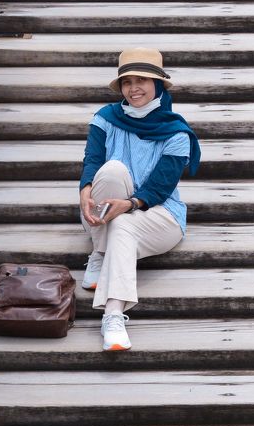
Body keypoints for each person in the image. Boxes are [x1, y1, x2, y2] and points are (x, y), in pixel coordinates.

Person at [78, 48, 201, 351]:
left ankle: (113, 315)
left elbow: (160, 187)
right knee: (113, 169)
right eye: (127, 81)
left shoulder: (176, 132)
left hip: (160, 214)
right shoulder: (105, 118)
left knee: (123, 225)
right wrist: (84, 190)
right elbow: (92, 161)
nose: (133, 88)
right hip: (104, 207)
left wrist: (131, 204)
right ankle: (101, 253)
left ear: (158, 84)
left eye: (142, 80)